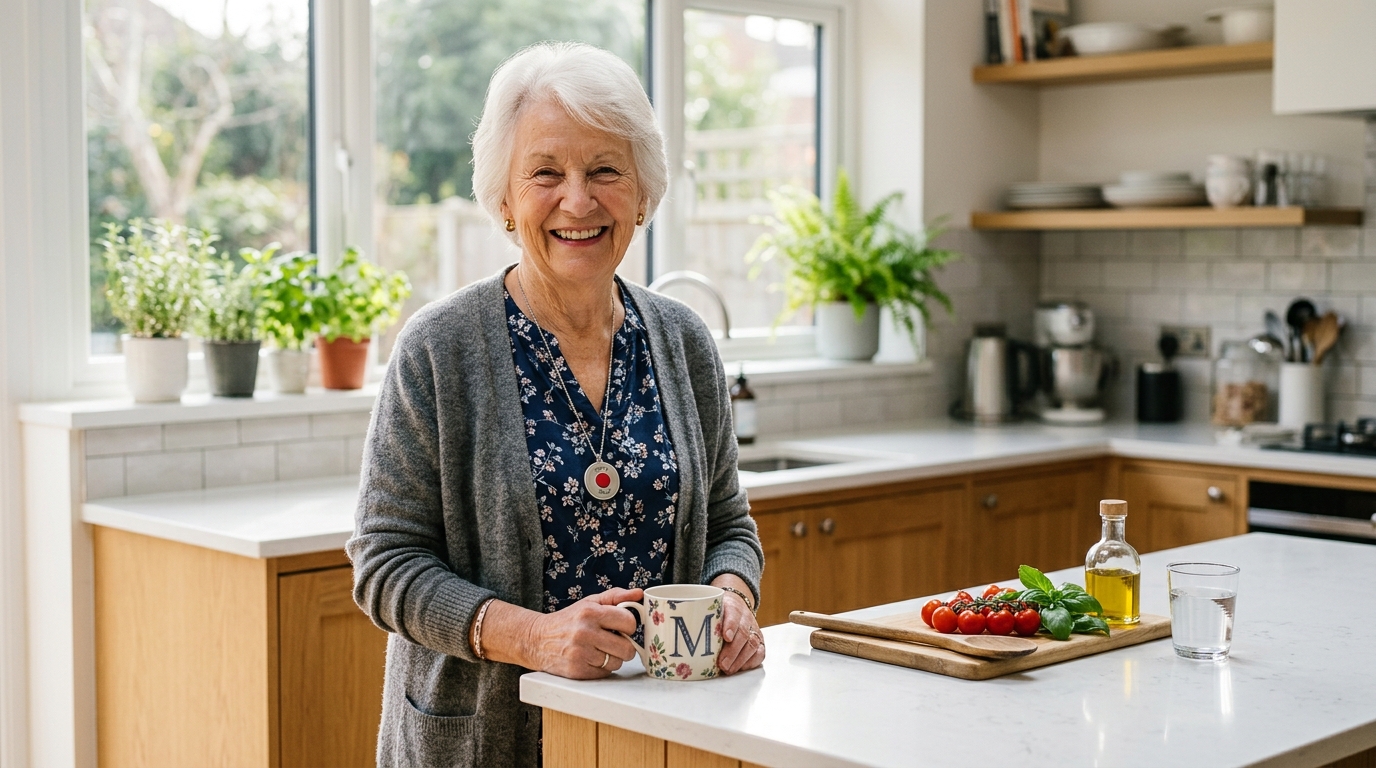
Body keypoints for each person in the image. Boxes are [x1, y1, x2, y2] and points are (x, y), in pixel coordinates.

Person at [348, 41, 766, 767]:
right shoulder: (438, 348)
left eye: (606, 169)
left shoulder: (685, 341)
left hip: (660, 737)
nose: (579, 200)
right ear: (505, 198)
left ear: (642, 193)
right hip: (484, 741)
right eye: (546, 172)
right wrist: (534, 637)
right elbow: (384, 565)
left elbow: (730, 524)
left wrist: (733, 596)